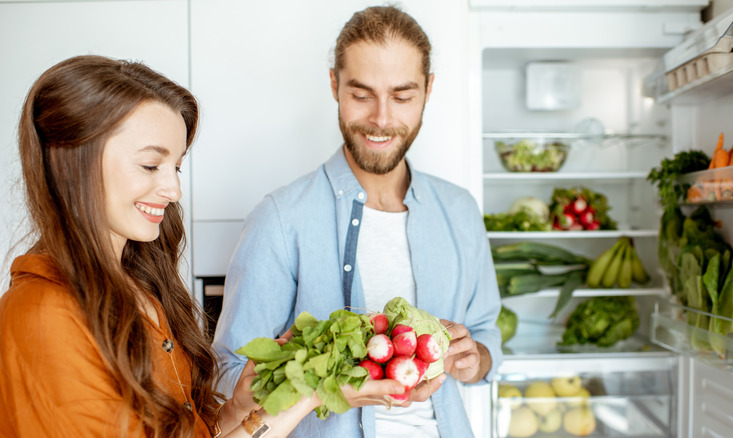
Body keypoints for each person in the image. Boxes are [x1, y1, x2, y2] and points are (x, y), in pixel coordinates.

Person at [0, 54, 405, 438]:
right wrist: (306, 398)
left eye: (175, 165)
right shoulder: (44, 315)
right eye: (149, 164)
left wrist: (238, 410)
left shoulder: (140, 289)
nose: (174, 188)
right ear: (72, 162)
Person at [212, 5, 502, 438]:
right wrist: (317, 382)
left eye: (402, 96)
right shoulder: (280, 219)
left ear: (428, 89)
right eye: (361, 94)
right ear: (335, 85)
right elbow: (227, 373)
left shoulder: (459, 211)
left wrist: (473, 356)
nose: (382, 119)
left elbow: (487, 340)